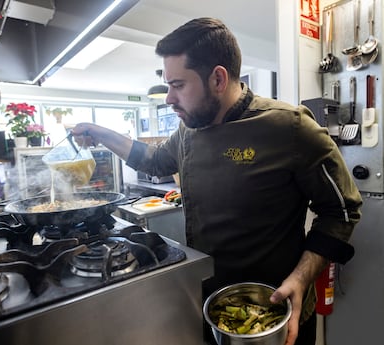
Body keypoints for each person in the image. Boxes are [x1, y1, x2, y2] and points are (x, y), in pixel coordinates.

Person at [72, 17, 362, 345]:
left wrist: (301, 278)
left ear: (218, 79)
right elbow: (153, 160)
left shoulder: (290, 128)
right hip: (211, 306)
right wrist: (98, 132)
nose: (169, 98)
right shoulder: (188, 131)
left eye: (178, 85)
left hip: (275, 312)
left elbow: (342, 211)